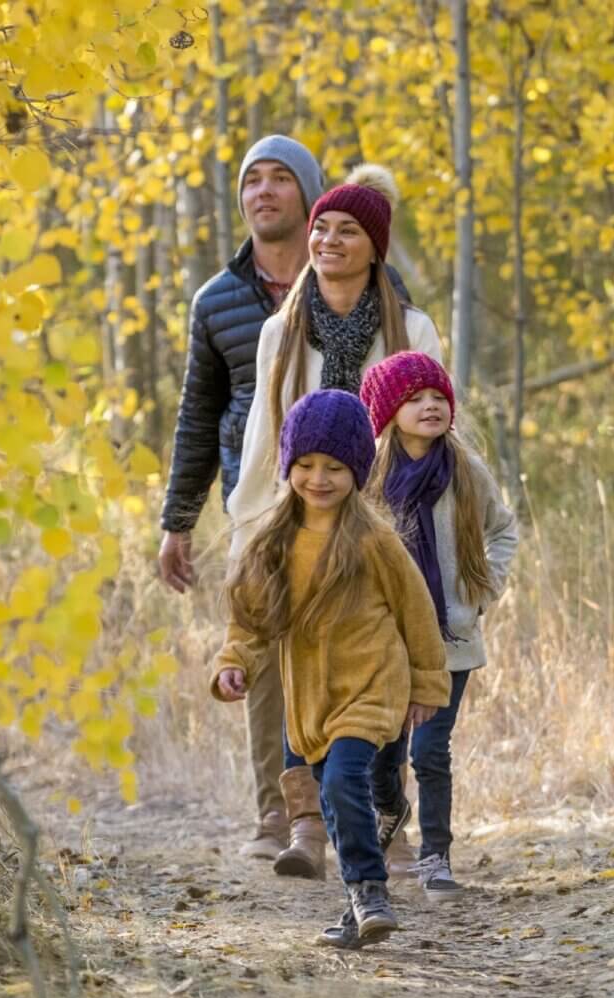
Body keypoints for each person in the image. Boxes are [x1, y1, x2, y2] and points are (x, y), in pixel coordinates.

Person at [227, 164, 443, 877]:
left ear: (375, 247)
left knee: (380, 670)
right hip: (300, 521)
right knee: (299, 676)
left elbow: (430, 435)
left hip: (384, 530)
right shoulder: (278, 332)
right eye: (320, 227)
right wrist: (247, 528)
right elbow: (264, 440)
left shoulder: (409, 328)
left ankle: (390, 825)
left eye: (347, 230)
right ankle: (304, 827)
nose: (326, 240)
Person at [211, 390, 450, 947]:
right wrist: (234, 662)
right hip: (311, 702)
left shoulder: (375, 540)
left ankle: (369, 892)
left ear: (357, 472)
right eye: (306, 465)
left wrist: (427, 684)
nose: (319, 478)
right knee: (339, 800)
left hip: (372, 684)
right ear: (289, 465)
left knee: (344, 782)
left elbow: (418, 614)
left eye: (335, 467)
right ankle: (355, 904)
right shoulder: (272, 542)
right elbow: (250, 621)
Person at [159, 135, 326, 859]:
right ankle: (278, 815)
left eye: (279, 179)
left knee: (361, 650)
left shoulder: (354, 275)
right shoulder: (217, 299)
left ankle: (380, 819)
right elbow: (197, 413)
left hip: (349, 497)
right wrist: (177, 522)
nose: (262, 192)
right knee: (260, 653)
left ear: (309, 193)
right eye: (251, 181)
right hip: (254, 501)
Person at [359, 352, 518, 898]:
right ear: (387, 411)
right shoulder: (368, 476)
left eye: (438, 397)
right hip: (388, 642)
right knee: (384, 752)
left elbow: (504, 531)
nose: (430, 406)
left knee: (430, 751)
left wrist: (479, 594)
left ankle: (436, 857)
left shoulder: (465, 469)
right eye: (415, 398)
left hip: (450, 637)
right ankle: (389, 807)